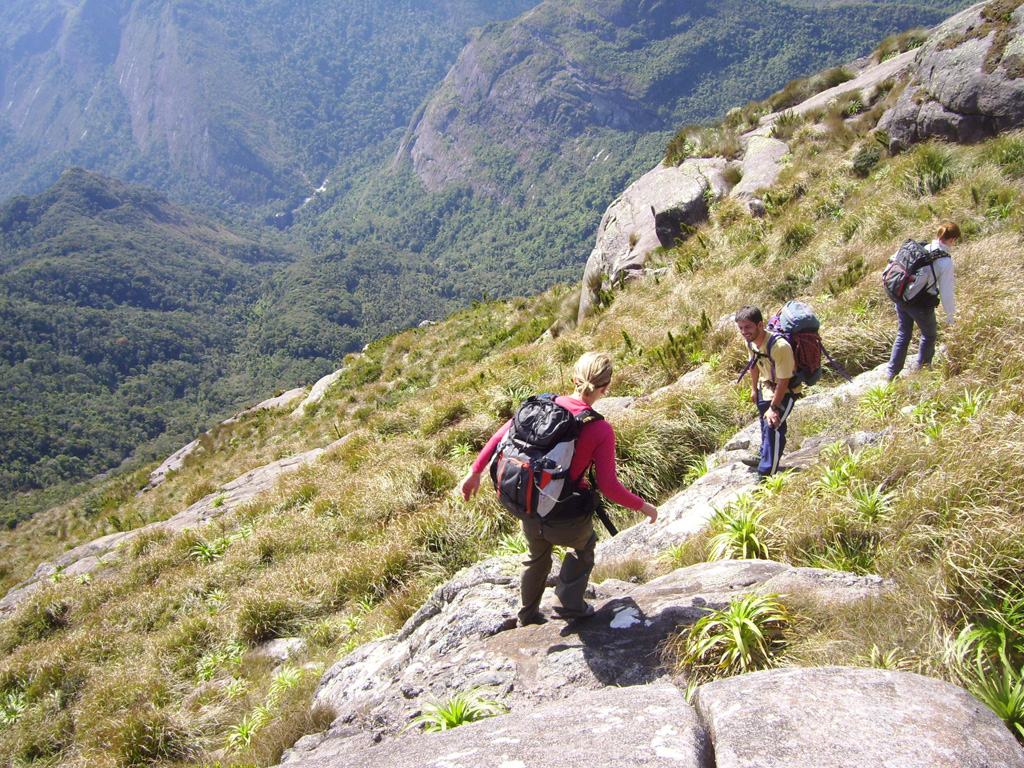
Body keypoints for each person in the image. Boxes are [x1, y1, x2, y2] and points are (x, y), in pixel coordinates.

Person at [459, 352, 658, 626]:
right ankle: (569, 605)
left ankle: (527, 615)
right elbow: (608, 486)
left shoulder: (541, 405)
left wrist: (475, 473)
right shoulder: (600, 429)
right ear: (605, 388)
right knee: (584, 547)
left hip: (528, 503)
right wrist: (644, 506)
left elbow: (499, 437)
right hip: (567, 515)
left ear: (574, 379)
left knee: (536, 556)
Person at [735, 306, 804, 478]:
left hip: (785, 390)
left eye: (748, 327)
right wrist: (754, 390)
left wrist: (773, 408)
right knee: (763, 422)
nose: (744, 332)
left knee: (773, 425)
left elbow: (784, 381)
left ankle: (766, 473)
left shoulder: (780, 347)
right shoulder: (751, 342)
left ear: (760, 325)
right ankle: (763, 454)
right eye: (741, 327)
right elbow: (753, 365)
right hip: (765, 386)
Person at [886, 221, 960, 380]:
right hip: (920, 304)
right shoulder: (945, 261)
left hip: (901, 297)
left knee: (904, 332)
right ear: (953, 239)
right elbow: (946, 292)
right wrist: (951, 317)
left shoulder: (922, 247)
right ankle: (921, 372)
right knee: (929, 335)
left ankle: (891, 374)